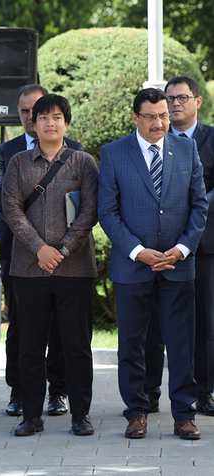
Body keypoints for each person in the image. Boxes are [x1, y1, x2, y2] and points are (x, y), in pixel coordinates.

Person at [98, 88, 207, 440]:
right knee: (132, 343)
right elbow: (107, 212)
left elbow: (199, 206)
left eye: (163, 115)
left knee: (181, 343)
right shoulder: (114, 153)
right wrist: (138, 251)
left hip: (177, 265)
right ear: (135, 118)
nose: (160, 122)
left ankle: (184, 414)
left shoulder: (186, 149)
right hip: (133, 266)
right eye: (151, 116)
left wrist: (182, 248)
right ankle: (136, 411)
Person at [2, 94, 98, 437]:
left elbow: (89, 212)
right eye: (43, 118)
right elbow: (11, 209)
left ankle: (80, 415)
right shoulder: (18, 162)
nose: (49, 123)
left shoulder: (83, 162)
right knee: (29, 347)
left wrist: (63, 248)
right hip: (28, 270)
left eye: (56, 117)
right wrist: (40, 249)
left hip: (76, 271)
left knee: (76, 346)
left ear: (66, 123)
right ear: (34, 124)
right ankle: (31, 416)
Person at [0, 84, 80, 417]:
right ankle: (19, 391)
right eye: (26, 111)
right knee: (21, 326)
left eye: (39, 110)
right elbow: (2, 200)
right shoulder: (6, 152)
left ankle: (58, 391)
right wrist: (36, 242)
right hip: (18, 251)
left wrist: (57, 245)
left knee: (59, 325)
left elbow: (79, 202)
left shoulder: (75, 151)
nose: (33, 117)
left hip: (63, 252)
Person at [140, 76, 214, 416]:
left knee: (202, 323)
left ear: (197, 101)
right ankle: (150, 391)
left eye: (182, 97)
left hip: (203, 247)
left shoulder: (211, 138)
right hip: (156, 250)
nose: (174, 103)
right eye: (170, 98)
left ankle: (203, 390)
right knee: (153, 326)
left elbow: (203, 197)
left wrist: (188, 229)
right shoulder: (155, 140)